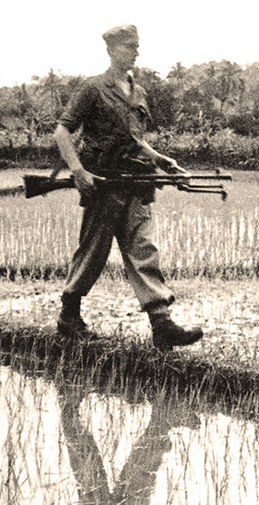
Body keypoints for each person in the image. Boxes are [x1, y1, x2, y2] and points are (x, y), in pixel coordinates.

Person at [52, 24, 202, 351]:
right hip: (103, 182)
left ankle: (161, 324)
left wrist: (164, 161)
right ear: (112, 50)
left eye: (137, 46)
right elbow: (62, 132)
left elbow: (136, 141)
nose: (136, 51)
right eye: (130, 46)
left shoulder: (139, 92)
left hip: (137, 180)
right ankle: (69, 316)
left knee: (144, 249)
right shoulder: (93, 88)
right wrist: (78, 170)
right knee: (93, 250)